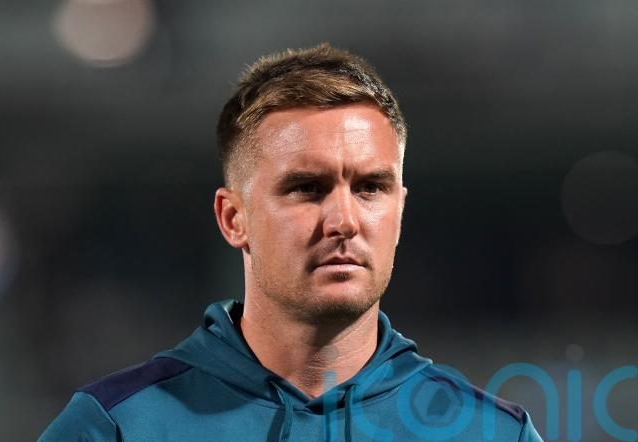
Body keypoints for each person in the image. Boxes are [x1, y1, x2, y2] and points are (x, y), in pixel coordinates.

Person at [39, 44, 542, 441]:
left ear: (400, 209)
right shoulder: (118, 426)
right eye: (307, 188)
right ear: (233, 218)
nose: (344, 220)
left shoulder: (492, 432)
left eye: (371, 187)